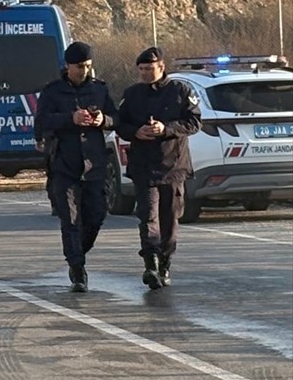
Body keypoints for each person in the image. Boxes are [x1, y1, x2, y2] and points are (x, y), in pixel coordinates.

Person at [115, 46, 202, 290]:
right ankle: (150, 263)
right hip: (144, 166)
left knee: (170, 218)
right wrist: (136, 132)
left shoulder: (180, 91)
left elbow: (194, 122)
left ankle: (165, 262)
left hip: (173, 165)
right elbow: (120, 125)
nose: (144, 73)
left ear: (161, 67)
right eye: (141, 69)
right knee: (147, 216)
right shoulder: (132, 95)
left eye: (149, 69)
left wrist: (166, 129)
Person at [34, 42, 118, 292]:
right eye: (80, 67)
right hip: (64, 163)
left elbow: (117, 118)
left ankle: (77, 251)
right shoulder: (52, 92)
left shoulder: (99, 89)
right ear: (68, 66)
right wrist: (69, 119)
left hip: (94, 164)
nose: (84, 71)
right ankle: (77, 268)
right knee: (70, 218)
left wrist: (105, 120)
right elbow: (41, 123)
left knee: (96, 215)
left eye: (88, 66)